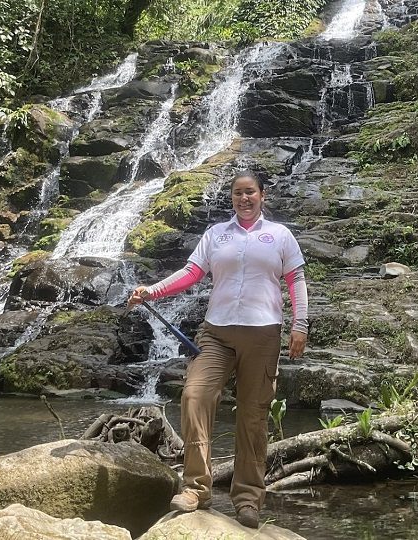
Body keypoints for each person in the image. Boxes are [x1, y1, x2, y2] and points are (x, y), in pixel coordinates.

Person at [128, 170, 309, 529]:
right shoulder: (216, 234)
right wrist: (152, 291)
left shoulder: (280, 236)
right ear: (232, 197)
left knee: (253, 417)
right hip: (217, 333)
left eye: (250, 193)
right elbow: (191, 273)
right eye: (238, 193)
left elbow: (296, 280)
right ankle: (196, 487)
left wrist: (300, 326)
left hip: (263, 335)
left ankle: (247, 499)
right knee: (195, 395)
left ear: (262, 195)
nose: (244, 198)